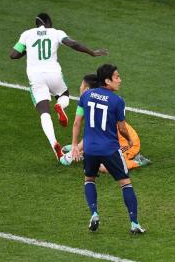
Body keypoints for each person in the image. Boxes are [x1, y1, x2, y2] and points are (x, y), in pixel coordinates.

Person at [9, 13, 108, 160]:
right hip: (53, 73)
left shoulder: (27, 34)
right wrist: (92, 53)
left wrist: (28, 49)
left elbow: (13, 55)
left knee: (44, 112)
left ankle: (54, 143)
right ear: (48, 22)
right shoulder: (56, 33)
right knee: (64, 95)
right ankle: (61, 106)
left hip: (36, 77)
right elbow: (73, 43)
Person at [71, 64, 146, 234]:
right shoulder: (117, 101)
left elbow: (77, 122)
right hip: (110, 149)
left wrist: (75, 146)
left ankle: (94, 213)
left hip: (89, 148)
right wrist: (128, 139)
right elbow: (122, 127)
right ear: (107, 80)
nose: (120, 80)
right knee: (125, 183)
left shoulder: (86, 95)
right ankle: (134, 224)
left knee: (89, 179)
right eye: (117, 77)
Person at [60, 74, 151, 170]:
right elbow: (77, 124)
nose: (80, 88)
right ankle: (84, 152)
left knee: (104, 167)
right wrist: (75, 147)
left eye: (82, 86)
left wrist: (69, 155)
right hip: (108, 140)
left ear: (87, 90)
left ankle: (137, 161)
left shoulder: (99, 104)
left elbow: (92, 134)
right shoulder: (87, 100)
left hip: (127, 143)